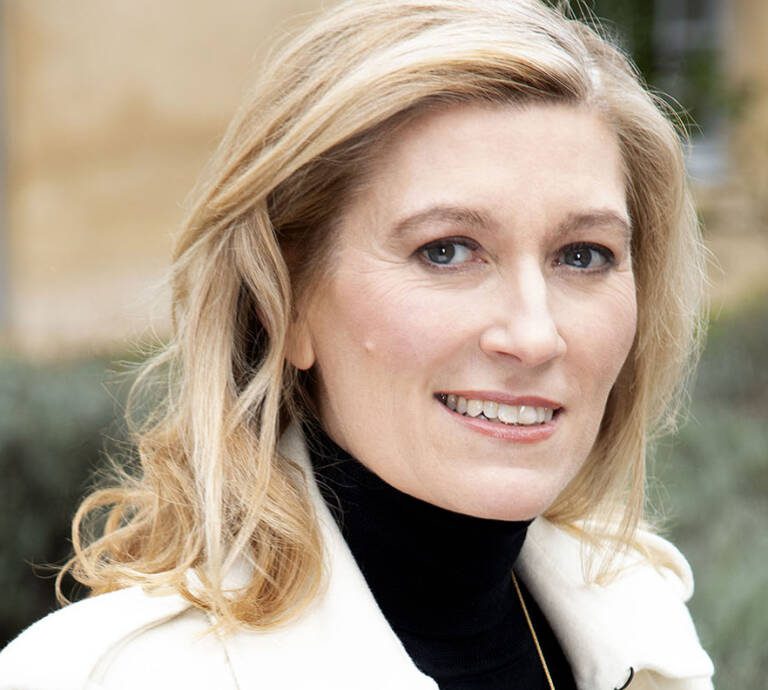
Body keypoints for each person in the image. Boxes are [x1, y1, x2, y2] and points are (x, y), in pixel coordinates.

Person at [0, 1, 714, 688]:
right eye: (446, 250)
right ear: (285, 302)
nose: (534, 335)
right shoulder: (107, 678)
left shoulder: (645, 621)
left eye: (583, 255)